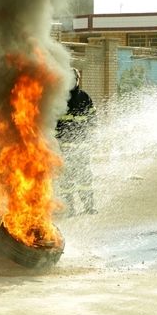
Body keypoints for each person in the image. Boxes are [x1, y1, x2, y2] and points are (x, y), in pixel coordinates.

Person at [55, 68, 97, 216]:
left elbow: (52, 123)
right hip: (82, 148)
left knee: (67, 181)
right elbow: (93, 119)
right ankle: (89, 207)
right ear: (78, 80)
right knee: (84, 178)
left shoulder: (58, 98)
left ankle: (71, 210)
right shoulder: (84, 97)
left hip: (63, 149)